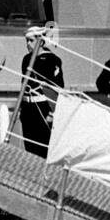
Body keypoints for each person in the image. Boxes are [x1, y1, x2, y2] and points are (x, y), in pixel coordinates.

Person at [19, 27, 63, 158]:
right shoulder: (26, 59)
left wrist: (52, 112)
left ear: (41, 42)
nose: (28, 44)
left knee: (43, 147)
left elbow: (57, 87)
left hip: (43, 108)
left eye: (31, 41)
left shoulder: (52, 60)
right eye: (27, 41)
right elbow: (24, 84)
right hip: (28, 108)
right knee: (29, 147)